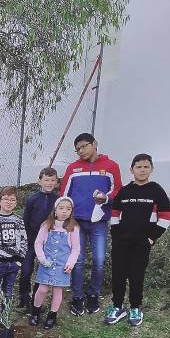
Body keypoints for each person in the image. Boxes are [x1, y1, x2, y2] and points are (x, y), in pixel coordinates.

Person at [104, 154, 170, 327]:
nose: (142, 170)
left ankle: (135, 308)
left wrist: (150, 238)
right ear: (132, 169)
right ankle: (117, 307)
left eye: (146, 167)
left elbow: (166, 217)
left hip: (142, 243)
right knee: (118, 275)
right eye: (138, 167)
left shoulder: (156, 190)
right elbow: (114, 214)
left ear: (151, 169)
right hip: (121, 242)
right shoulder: (124, 191)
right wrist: (116, 235)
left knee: (136, 276)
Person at [60, 133, 122, 316]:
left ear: (94, 144)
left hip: (99, 222)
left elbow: (118, 190)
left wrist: (106, 197)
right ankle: (77, 297)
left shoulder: (111, 166)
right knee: (77, 262)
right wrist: (66, 217)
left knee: (99, 261)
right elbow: (63, 194)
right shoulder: (73, 168)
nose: (80, 151)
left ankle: (93, 295)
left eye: (83, 146)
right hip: (76, 222)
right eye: (77, 149)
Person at [29, 197, 80, 329]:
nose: (64, 211)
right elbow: (38, 243)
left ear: (71, 212)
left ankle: (52, 316)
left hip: (62, 266)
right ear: (55, 210)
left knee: (58, 290)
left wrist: (70, 263)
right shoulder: (47, 225)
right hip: (47, 263)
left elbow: (75, 248)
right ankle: (35, 312)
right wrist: (41, 258)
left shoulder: (73, 227)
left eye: (68, 209)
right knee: (42, 289)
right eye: (61, 208)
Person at [19, 167, 59, 309]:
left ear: (56, 181)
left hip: (48, 243)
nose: (49, 183)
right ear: (39, 181)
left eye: (52, 180)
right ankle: (23, 297)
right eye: (46, 180)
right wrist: (25, 240)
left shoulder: (58, 199)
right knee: (26, 270)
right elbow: (25, 220)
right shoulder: (32, 199)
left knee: (42, 272)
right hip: (30, 241)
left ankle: (36, 300)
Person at [0, 187, 28, 298]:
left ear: (16, 203)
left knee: (8, 294)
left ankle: (4, 315)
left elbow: (24, 240)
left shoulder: (18, 220)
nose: (9, 202)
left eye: (12, 200)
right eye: (6, 199)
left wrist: (19, 261)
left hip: (13, 263)